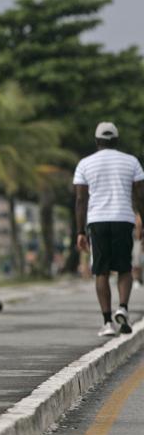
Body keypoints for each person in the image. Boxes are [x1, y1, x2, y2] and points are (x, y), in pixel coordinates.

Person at [73, 121, 144, 336]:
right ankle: (122, 307)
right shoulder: (132, 162)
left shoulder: (85, 163)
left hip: (98, 221)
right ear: (116, 140)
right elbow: (140, 195)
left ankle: (107, 322)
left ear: (97, 141)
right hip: (124, 219)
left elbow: (80, 199)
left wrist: (80, 231)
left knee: (101, 271)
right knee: (124, 268)